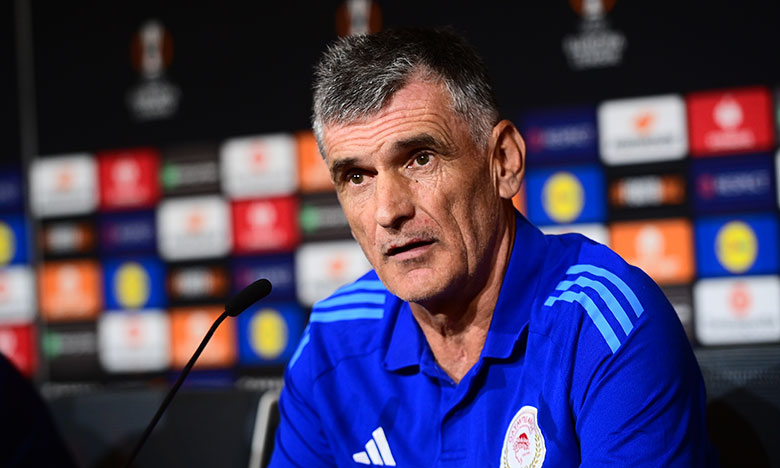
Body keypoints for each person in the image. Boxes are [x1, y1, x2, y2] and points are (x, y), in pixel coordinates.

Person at [269, 27, 716, 467]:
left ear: (503, 161)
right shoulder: (330, 342)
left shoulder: (604, 326)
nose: (388, 211)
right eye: (357, 177)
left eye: (420, 159)